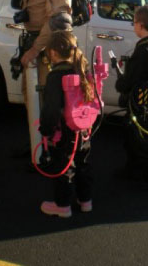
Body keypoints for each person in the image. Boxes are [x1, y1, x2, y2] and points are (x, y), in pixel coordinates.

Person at [12, 0, 72, 159]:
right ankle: (38, 145)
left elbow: (60, 17)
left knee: (49, 101)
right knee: (33, 98)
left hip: (49, 50)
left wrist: (36, 49)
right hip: (35, 43)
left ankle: (51, 153)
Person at [38, 30, 94, 218]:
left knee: (64, 166)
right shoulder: (82, 69)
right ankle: (85, 201)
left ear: (53, 53)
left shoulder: (55, 77)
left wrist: (45, 130)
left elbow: (51, 109)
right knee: (82, 164)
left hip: (64, 132)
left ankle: (62, 205)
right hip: (83, 129)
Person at [115, 4, 148, 190]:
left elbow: (130, 79)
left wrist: (120, 84)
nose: (133, 26)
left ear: (141, 25)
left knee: (138, 139)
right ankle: (132, 169)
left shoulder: (143, 50)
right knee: (132, 136)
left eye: (134, 22)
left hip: (138, 103)